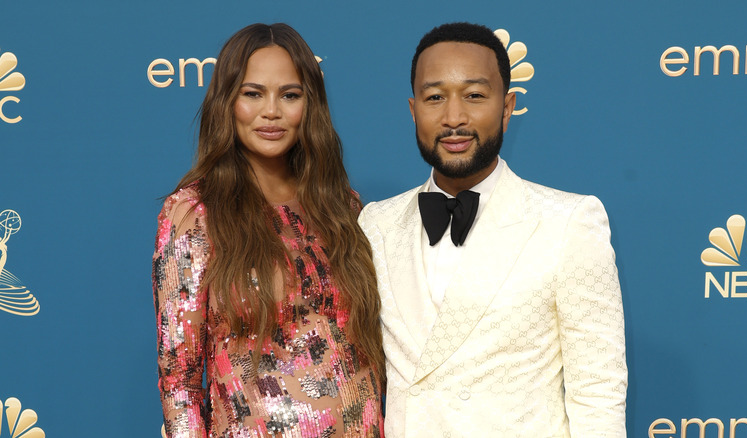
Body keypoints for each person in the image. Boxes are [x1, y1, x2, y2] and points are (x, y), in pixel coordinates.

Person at [358, 22, 627, 437]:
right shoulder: (375, 223)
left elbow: (598, 389)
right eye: (435, 98)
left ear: (507, 106)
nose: (454, 118)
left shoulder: (567, 222)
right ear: (414, 111)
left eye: (474, 96)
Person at [153, 23, 384, 438]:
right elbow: (180, 381)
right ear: (228, 101)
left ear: (309, 105)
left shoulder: (343, 206)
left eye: (290, 95)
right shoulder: (194, 212)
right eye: (253, 93)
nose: (272, 111)